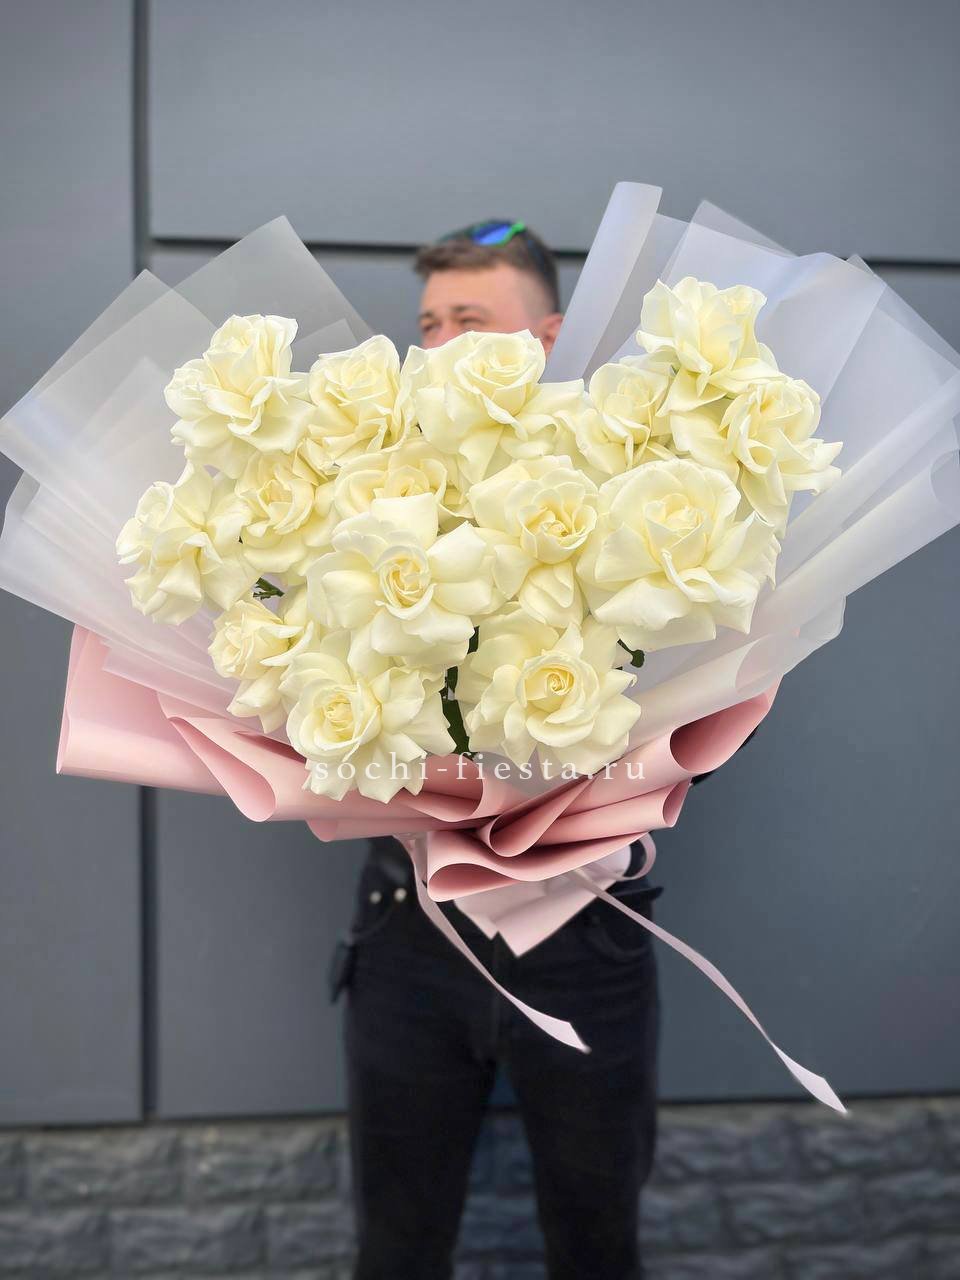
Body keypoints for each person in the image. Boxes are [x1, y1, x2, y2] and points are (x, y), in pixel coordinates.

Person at [331, 220, 664, 1280]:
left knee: (598, 1246)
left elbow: (696, 703)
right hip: (409, 925)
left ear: (546, 338)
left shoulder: (627, 488)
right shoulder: (370, 484)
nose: (437, 345)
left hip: (584, 928)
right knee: (396, 1247)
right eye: (428, 323)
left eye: (467, 321)